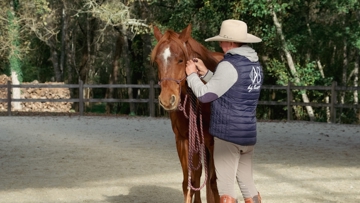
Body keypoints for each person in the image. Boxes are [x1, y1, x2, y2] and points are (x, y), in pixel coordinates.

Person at [185, 19, 263, 203]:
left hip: (228, 136)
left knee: (226, 191)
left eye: (222, 41)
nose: (220, 44)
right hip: (247, 135)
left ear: (231, 42)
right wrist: (205, 73)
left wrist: (191, 76)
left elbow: (205, 95)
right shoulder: (253, 65)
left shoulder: (229, 65)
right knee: (247, 185)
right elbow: (230, 87)